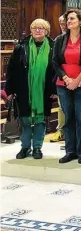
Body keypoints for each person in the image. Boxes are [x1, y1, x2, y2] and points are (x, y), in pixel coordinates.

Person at [6, 19, 56, 160]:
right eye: (34, 28)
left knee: (40, 120)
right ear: (31, 30)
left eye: (41, 28)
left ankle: (38, 147)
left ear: (46, 31)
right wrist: (10, 90)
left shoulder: (53, 47)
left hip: (44, 89)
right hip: (24, 89)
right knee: (25, 119)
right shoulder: (21, 47)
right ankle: (25, 146)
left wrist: (54, 90)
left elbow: (56, 70)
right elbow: (12, 69)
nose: (37, 31)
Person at [53, 9, 81, 164]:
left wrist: (76, 80)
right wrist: (65, 78)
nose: (68, 21)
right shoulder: (60, 39)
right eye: (67, 19)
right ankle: (70, 151)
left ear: (80, 21)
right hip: (63, 84)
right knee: (68, 117)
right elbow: (55, 62)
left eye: (71, 18)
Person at [50, 15, 67, 143]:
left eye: (64, 22)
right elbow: (55, 61)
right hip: (62, 77)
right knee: (62, 106)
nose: (62, 25)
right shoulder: (58, 39)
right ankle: (61, 131)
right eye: (60, 23)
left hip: (78, 77)